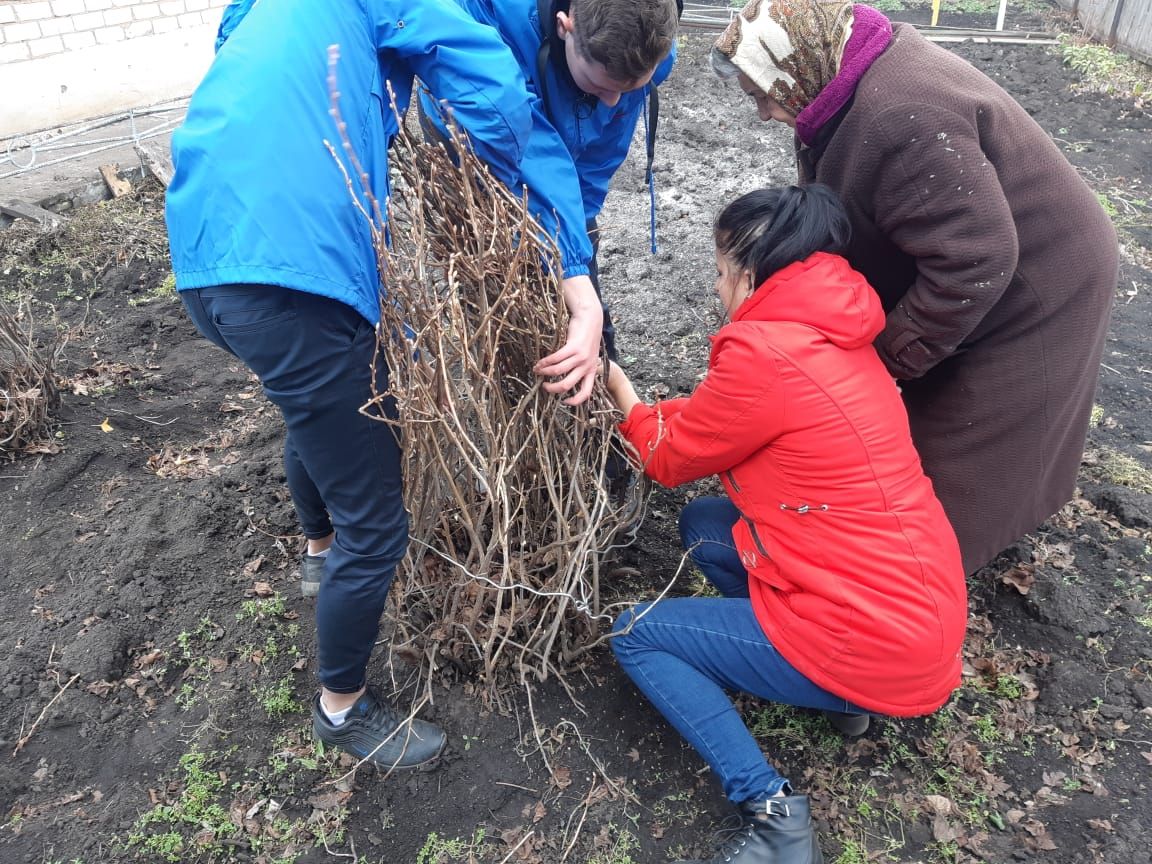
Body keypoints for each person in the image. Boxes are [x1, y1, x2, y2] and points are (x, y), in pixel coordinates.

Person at [166, 0, 606, 769]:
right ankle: (340, 711)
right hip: (294, 277)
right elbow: (497, 95)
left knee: (318, 407)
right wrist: (507, 197)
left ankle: (315, 548)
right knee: (379, 522)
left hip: (209, 258)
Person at [604, 185, 967, 864]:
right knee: (709, 528)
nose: (716, 286)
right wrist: (670, 409)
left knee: (637, 635)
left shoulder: (762, 353)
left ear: (748, 271)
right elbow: (727, 418)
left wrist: (621, 391)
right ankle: (843, 702)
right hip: (920, 614)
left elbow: (666, 457)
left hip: (871, 634)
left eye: (718, 271)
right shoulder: (830, 330)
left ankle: (773, 815)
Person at [711, 0, 1118, 575]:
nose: (763, 112)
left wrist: (889, 357)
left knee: (967, 439)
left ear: (793, 63)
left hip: (1036, 280)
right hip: (989, 256)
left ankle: (921, 583)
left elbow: (974, 260)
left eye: (763, 95)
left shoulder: (895, 117)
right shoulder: (839, 78)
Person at [420, 0, 680, 364]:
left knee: (574, 254)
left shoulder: (643, 42)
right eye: (599, 84)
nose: (613, 100)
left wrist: (580, 229)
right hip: (476, 125)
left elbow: (600, 153)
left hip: (555, 96)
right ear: (564, 26)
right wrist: (571, 270)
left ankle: (602, 370)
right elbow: (526, 146)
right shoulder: (497, 22)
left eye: (631, 86)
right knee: (504, 261)